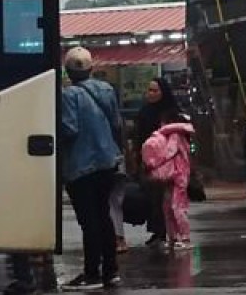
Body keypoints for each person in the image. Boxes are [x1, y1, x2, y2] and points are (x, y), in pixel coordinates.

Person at [59, 47, 122, 291]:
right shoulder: (106, 90)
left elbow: (70, 129)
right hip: (107, 162)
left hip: (81, 166)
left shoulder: (69, 95)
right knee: (104, 217)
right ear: (91, 68)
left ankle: (91, 274)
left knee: (89, 222)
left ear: (67, 71)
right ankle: (111, 270)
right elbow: (116, 122)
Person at [134, 78, 181, 249]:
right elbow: (139, 137)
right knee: (154, 197)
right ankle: (158, 231)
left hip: (169, 160)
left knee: (170, 198)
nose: (151, 94)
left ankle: (174, 232)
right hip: (150, 161)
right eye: (149, 90)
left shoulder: (171, 113)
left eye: (155, 91)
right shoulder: (144, 112)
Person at [150, 116, 195, 250]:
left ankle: (184, 238)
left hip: (177, 175)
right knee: (168, 207)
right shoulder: (176, 134)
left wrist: (154, 161)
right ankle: (174, 237)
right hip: (174, 175)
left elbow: (169, 153)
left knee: (176, 207)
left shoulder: (175, 135)